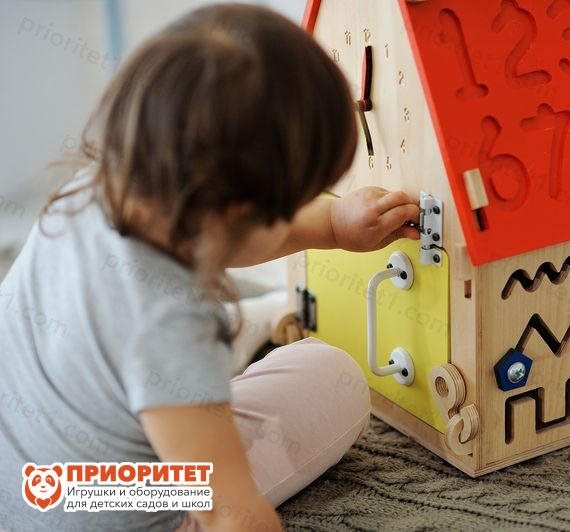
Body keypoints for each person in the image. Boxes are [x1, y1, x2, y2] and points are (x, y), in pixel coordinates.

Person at [0, 4, 420, 531]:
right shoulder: (172, 324)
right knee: (335, 380)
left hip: (24, 482)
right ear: (243, 212)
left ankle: (243, 338)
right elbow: (230, 515)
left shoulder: (95, 190)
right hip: (104, 509)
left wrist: (334, 225)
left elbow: (220, 238)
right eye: (294, 204)